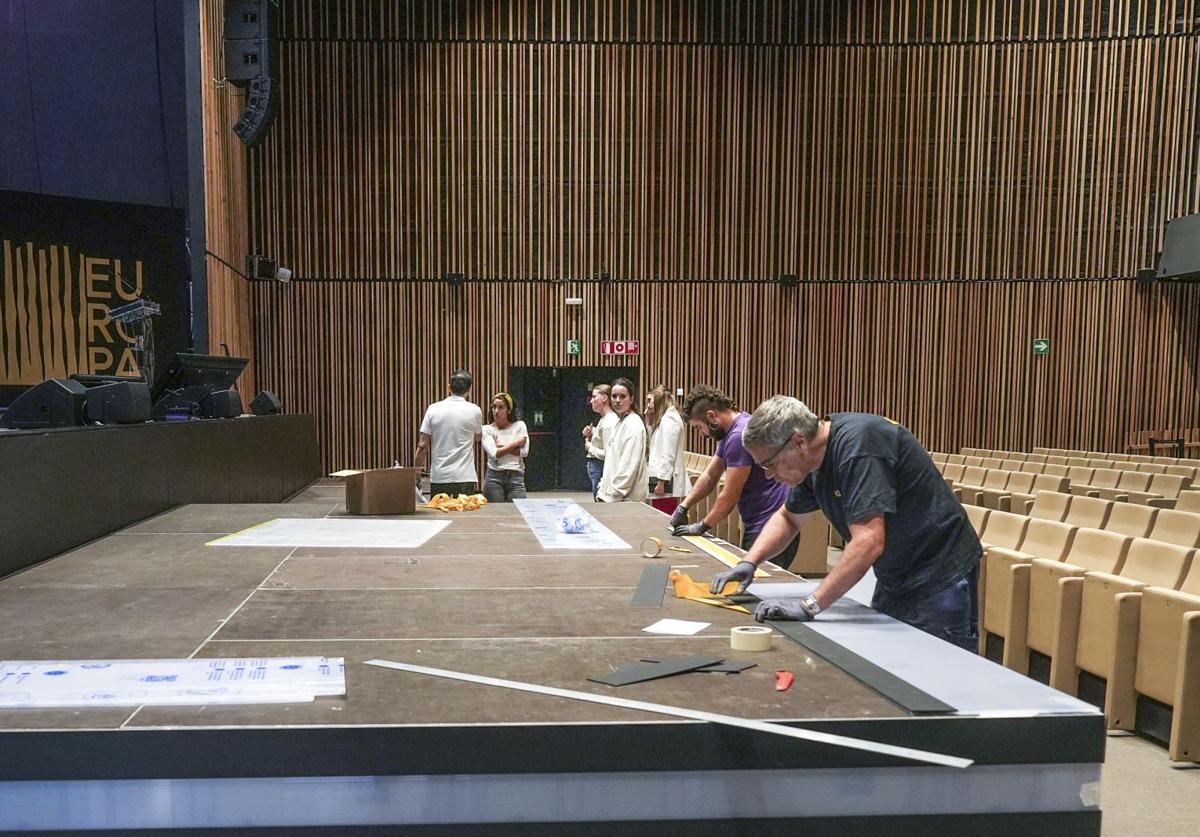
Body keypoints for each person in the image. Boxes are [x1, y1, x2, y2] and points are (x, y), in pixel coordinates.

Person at [709, 396, 982, 651]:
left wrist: (810, 605)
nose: (769, 475)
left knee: (935, 675)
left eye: (770, 464)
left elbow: (869, 540)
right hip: (896, 575)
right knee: (890, 666)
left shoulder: (860, 447)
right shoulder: (812, 463)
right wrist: (749, 562)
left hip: (940, 574)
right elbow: (789, 517)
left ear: (799, 442)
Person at [669, 385, 799, 570]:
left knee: (758, 588)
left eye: (699, 427)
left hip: (769, 525)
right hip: (764, 523)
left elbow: (730, 494)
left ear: (712, 416)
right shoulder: (732, 430)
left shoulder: (738, 436)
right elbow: (710, 475)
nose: (701, 434)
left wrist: (702, 526)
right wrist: (684, 506)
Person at [415, 370, 483, 496]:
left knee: (440, 514)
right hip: (465, 476)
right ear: (469, 390)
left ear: (449, 387)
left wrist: (416, 476)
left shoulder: (433, 409)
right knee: (465, 513)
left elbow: (422, 446)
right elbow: (478, 437)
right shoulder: (475, 411)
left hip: (440, 476)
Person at [595, 378, 648, 503]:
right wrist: (602, 488)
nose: (617, 400)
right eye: (614, 396)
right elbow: (611, 461)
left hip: (623, 500)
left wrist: (615, 494)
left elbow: (629, 465)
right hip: (611, 496)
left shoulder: (633, 424)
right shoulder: (620, 421)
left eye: (622, 396)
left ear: (631, 399)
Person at [645, 385, 691, 515]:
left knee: (664, 515)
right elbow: (653, 443)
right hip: (662, 477)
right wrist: (649, 421)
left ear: (659, 400)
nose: (648, 405)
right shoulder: (664, 418)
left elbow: (668, 453)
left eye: (650, 400)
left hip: (666, 480)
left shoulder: (670, 419)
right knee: (659, 513)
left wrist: (662, 481)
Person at [481, 392, 529, 502]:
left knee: (517, 513)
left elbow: (524, 452)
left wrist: (501, 446)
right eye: (494, 407)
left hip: (516, 476)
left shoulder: (520, 425)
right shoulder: (487, 429)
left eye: (501, 407)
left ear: (509, 410)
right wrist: (515, 443)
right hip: (494, 476)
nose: (496, 411)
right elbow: (495, 454)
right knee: (496, 514)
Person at [582, 384, 617, 500]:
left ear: (604, 398)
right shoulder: (604, 419)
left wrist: (589, 447)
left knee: (600, 502)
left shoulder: (609, 421)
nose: (591, 401)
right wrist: (592, 435)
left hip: (601, 467)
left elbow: (609, 454)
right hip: (597, 467)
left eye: (594, 397)